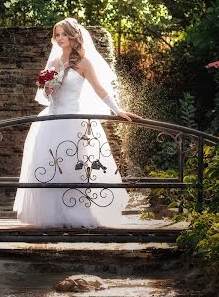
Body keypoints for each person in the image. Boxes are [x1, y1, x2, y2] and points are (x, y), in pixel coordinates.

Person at [13, 18, 139, 228]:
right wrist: (48, 89)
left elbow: (100, 90)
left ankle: (79, 213)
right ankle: (52, 215)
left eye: (64, 34)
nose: (60, 38)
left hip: (74, 120)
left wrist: (118, 110)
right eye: (57, 34)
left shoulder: (84, 63)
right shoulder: (53, 64)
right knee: (49, 166)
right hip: (52, 120)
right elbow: (47, 93)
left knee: (76, 167)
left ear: (73, 36)